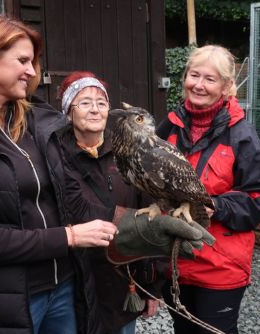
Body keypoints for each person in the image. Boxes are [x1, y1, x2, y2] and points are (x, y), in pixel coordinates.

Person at [0, 14, 211, 334]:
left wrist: (140, 232)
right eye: (23, 60)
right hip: (1, 297)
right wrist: (69, 236)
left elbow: (74, 202)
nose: (32, 71)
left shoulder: (37, 126)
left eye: (33, 61)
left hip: (63, 289)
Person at [157, 44, 260, 334]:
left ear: (226, 86)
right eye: (193, 75)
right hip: (175, 262)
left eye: (209, 79)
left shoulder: (241, 134)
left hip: (219, 266)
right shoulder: (170, 127)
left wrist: (216, 206)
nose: (198, 85)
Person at [57, 71, 162, 334]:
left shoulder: (127, 155)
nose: (95, 110)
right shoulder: (55, 157)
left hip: (120, 281)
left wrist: (151, 287)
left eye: (101, 103)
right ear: (68, 112)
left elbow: (150, 219)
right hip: (74, 283)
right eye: (84, 102)